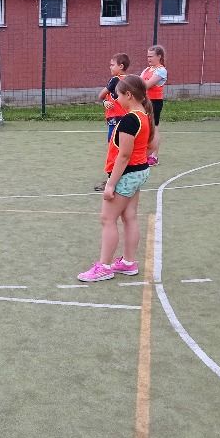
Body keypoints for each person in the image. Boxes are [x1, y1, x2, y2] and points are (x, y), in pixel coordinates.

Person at [78, 75, 154, 283]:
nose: (116, 99)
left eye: (118, 95)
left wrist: (110, 184)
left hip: (127, 174)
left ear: (128, 95)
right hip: (138, 172)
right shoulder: (143, 115)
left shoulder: (130, 120)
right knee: (130, 216)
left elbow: (124, 155)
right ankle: (128, 262)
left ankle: (104, 267)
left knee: (107, 219)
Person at [94, 52, 130, 192]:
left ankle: (111, 180)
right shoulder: (131, 80)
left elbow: (100, 95)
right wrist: (105, 102)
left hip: (115, 120)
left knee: (113, 150)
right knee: (124, 150)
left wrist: (104, 102)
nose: (110, 67)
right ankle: (122, 177)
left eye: (112, 64)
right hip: (128, 119)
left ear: (121, 66)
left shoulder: (115, 80)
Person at [140, 44, 167, 166]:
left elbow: (145, 85)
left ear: (159, 56)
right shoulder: (147, 70)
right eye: (147, 56)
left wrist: (141, 83)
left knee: (154, 128)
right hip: (144, 101)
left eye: (151, 56)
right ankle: (145, 153)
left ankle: (154, 156)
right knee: (145, 128)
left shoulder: (161, 70)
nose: (149, 58)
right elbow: (139, 82)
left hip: (155, 102)